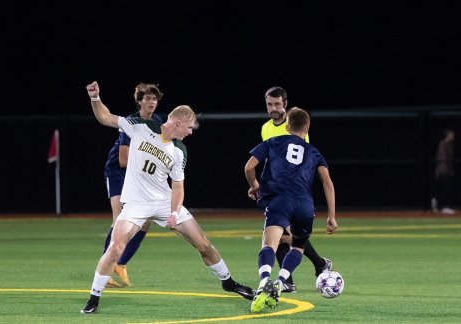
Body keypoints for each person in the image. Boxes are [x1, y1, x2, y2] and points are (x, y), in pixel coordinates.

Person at [81, 81, 254, 314]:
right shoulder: (140, 127)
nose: (191, 132)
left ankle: (228, 282)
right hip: (135, 204)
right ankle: (93, 298)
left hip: (164, 202)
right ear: (178, 122)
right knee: (115, 248)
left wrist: (173, 212)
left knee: (203, 244)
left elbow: (178, 187)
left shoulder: (179, 150)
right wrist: (95, 98)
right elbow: (106, 117)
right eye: (190, 127)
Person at [244, 107, 337, 313]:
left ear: (287, 126)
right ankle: (280, 282)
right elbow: (327, 182)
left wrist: (254, 186)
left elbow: (249, 167)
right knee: (297, 248)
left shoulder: (273, 142)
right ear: (307, 128)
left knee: (269, 244)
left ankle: (263, 283)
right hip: (305, 205)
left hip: (279, 199)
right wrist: (331, 216)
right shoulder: (314, 152)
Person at [260, 86, 332, 293]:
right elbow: (269, 160)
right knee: (282, 235)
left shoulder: (295, 126)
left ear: (285, 104)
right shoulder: (266, 128)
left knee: (280, 235)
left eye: (277, 104)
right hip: (275, 189)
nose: (273, 108)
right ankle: (314, 267)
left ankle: (298, 274)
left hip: (293, 190)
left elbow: (301, 161)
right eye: (269, 104)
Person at [103, 83, 164, 288]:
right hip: (119, 172)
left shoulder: (158, 122)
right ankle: (105, 270)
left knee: (145, 222)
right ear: (139, 101)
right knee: (119, 219)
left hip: (137, 174)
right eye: (147, 98)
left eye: (154, 99)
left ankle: (120, 263)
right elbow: (123, 160)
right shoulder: (131, 122)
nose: (151, 102)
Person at [431, 129, 456, 214]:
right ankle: (444, 207)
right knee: (444, 188)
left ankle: (437, 204)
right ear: (447, 135)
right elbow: (443, 159)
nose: (453, 137)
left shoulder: (450, 145)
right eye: (451, 135)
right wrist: (445, 170)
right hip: (443, 170)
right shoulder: (443, 144)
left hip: (446, 170)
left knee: (444, 188)